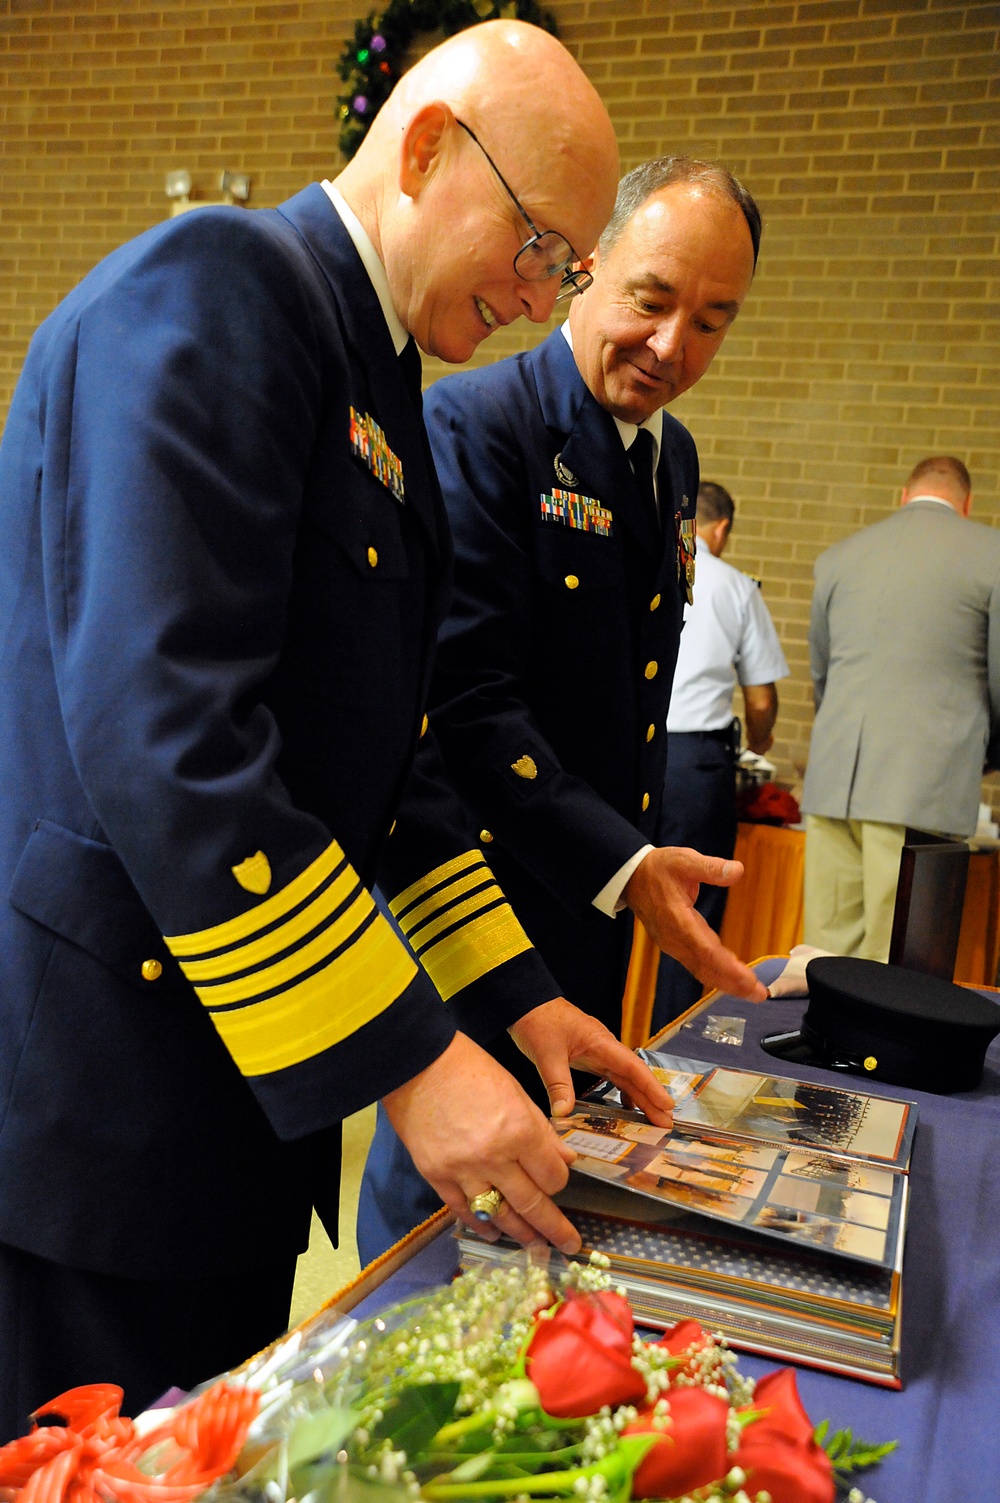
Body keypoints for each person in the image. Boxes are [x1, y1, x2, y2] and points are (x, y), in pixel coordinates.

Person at [0, 21, 676, 1433]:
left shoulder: (374, 379)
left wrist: (521, 994)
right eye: (542, 244)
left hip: (230, 1115)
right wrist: (417, 1063)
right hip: (105, 1111)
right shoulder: (227, 284)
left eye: (566, 267)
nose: (541, 287)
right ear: (429, 146)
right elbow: (166, 725)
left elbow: (390, 768)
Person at [359, 156, 770, 1263]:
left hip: (593, 900)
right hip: (477, 899)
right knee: (444, 1206)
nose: (673, 347)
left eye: (712, 321)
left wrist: (624, 873)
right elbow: (465, 701)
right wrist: (626, 863)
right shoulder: (478, 428)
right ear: (585, 274)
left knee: (549, 1182)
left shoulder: (669, 458)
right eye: (651, 300)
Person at [802, 455, 1000, 960]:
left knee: (824, 956)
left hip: (834, 780)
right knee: (895, 962)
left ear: (904, 496)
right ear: (966, 503)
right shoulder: (991, 555)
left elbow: (821, 674)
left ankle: (826, 1039)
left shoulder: (840, 556)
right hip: (921, 783)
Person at [654, 480, 789, 1027]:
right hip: (695, 765)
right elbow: (760, 696)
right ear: (723, 529)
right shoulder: (736, 586)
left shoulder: (641, 564)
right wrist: (759, 743)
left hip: (621, 755)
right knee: (691, 917)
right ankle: (670, 1052)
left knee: (601, 900)